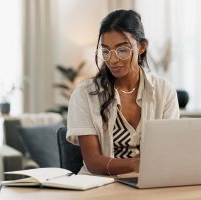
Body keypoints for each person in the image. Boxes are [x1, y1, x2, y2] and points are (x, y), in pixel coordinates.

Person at [67, 9, 180, 176]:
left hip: (150, 182)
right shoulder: (85, 94)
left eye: (122, 50)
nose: (112, 60)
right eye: (106, 51)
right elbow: (93, 162)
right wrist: (136, 164)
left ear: (141, 47)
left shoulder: (164, 91)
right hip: (99, 185)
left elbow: (167, 151)